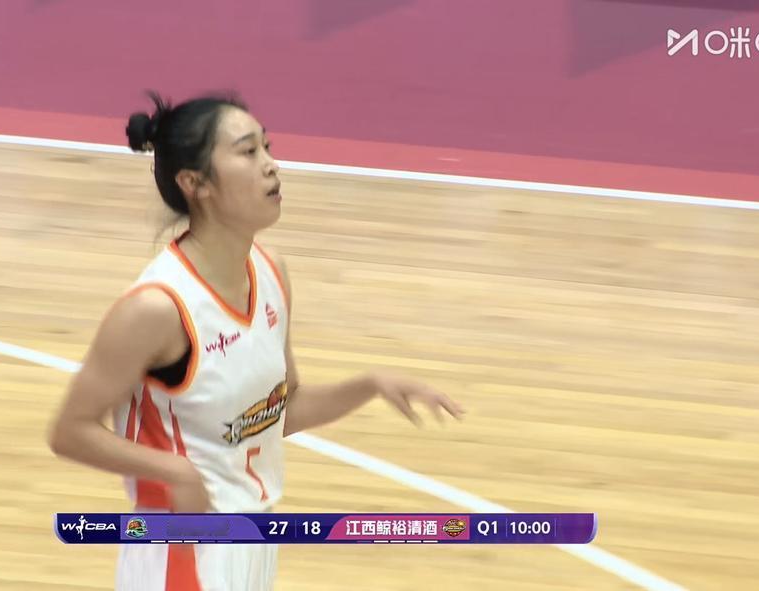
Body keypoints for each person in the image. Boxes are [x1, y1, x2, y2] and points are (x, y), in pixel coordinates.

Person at [48, 91, 465, 591]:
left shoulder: (271, 271)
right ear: (195, 183)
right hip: (182, 548)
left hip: (253, 538)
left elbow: (278, 413)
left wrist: (370, 384)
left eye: (267, 147)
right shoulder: (157, 309)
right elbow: (69, 431)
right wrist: (174, 472)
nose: (271, 165)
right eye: (248, 152)